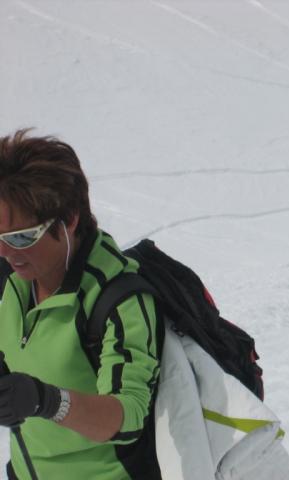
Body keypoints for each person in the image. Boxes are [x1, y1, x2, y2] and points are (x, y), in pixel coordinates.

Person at [0, 129, 161, 479]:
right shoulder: (11, 279)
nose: (6, 251)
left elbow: (128, 415)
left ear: (69, 218)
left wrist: (47, 401)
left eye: (22, 237)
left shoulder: (118, 299)